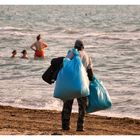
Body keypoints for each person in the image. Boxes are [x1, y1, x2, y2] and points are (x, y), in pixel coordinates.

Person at [61, 39, 93, 131]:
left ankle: (65, 126)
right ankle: (80, 126)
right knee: (82, 107)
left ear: (75, 46)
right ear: (83, 47)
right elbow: (90, 74)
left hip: (70, 84)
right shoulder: (87, 56)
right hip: (82, 86)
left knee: (67, 105)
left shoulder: (71, 53)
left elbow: (65, 65)